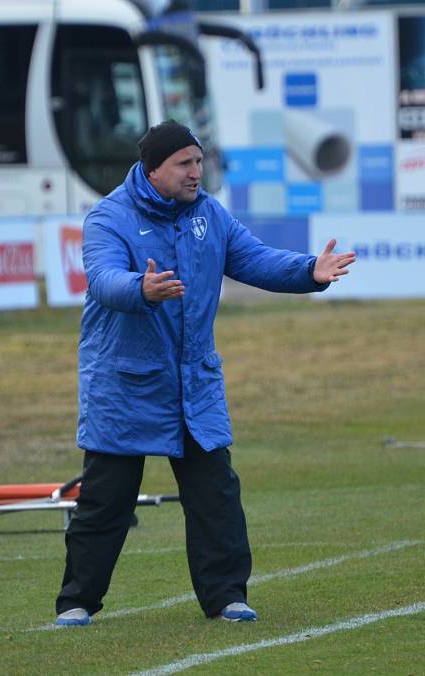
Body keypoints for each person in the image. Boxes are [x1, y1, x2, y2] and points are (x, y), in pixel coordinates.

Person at [54, 120, 355, 627]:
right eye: (184, 164)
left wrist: (308, 271)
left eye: (199, 161)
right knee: (106, 501)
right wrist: (140, 289)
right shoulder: (108, 217)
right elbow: (104, 280)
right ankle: (77, 602)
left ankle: (226, 597)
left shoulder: (209, 214)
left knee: (216, 495)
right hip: (124, 383)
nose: (197, 172)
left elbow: (255, 259)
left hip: (194, 382)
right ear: (153, 170)